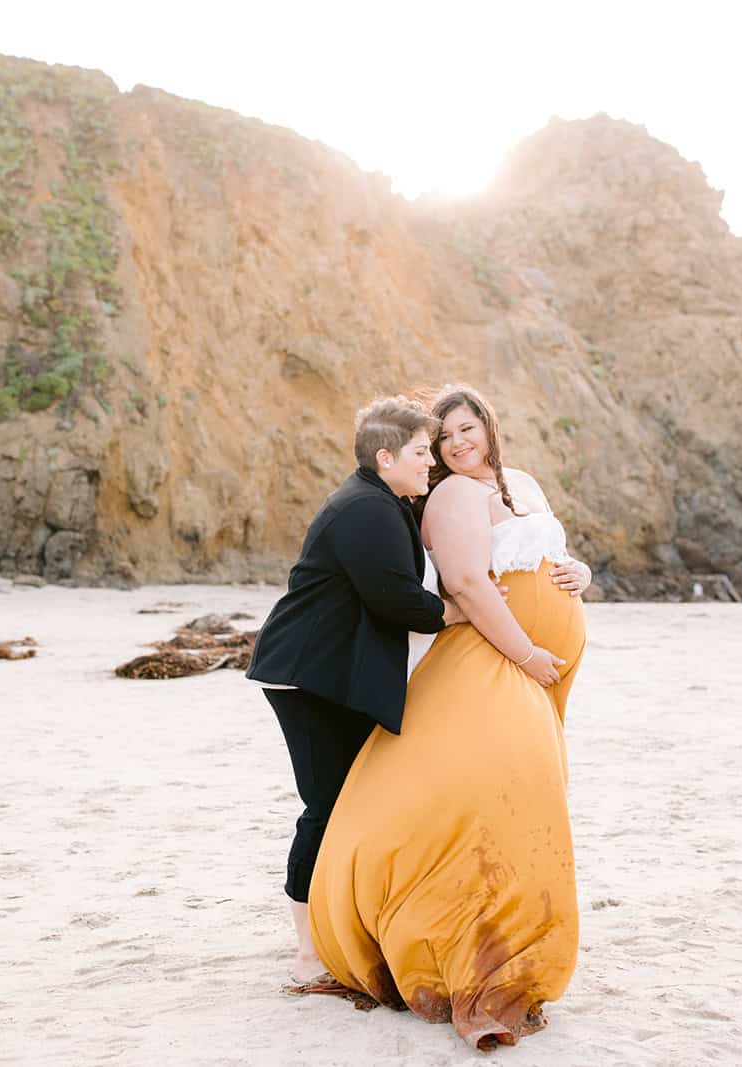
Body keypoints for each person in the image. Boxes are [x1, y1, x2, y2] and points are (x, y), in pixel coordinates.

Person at [305, 383, 593, 1050]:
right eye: (444, 439)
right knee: (490, 796)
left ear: (488, 426)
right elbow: (464, 584)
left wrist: (580, 572)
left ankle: (504, 927)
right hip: (494, 660)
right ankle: (474, 943)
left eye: (467, 429)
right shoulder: (452, 495)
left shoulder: (521, 482)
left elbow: (550, 558)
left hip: (530, 668)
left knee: (519, 797)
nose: (458, 443)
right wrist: (525, 653)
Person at [246, 395, 468, 984]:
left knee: (353, 803)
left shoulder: (385, 500)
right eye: (422, 453)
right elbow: (395, 598)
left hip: (331, 671)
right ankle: (306, 952)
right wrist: (464, 612)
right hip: (308, 675)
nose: (431, 463)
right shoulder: (366, 509)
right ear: (386, 455)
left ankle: (347, 931)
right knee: (326, 807)